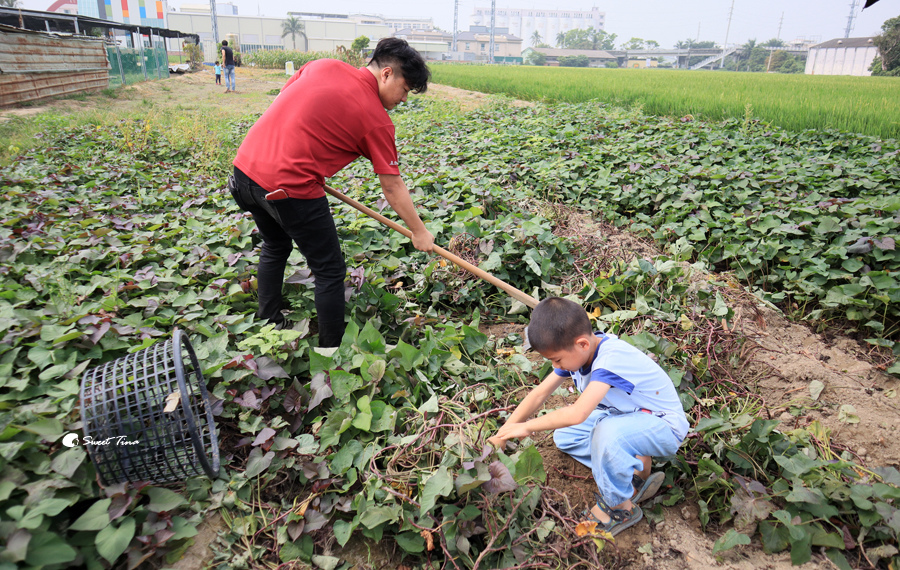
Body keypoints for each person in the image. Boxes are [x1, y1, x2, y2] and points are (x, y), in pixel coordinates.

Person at [229, 37, 434, 347]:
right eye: (405, 90)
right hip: (290, 186)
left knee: (275, 243)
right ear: (387, 73)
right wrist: (418, 232)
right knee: (329, 269)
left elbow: (291, 102)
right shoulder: (377, 120)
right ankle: (330, 353)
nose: (404, 99)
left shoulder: (322, 66)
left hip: (243, 171)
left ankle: (269, 321)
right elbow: (392, 186)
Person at [488, 297, 689, 536]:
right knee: (565, 436)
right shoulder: (579, 352)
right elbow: (539, 393)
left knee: (606, 434)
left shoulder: (610, 359)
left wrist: (528, 427)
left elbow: (577, 413)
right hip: (627, 418)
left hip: (664, 426)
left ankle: (619, 506)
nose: (555, 365)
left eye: (557, 359)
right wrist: (505, 431)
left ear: (582, 343)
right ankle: (634, 471)